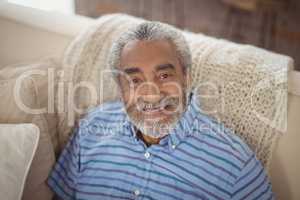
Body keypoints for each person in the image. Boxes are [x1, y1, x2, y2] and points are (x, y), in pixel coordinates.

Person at [47, 21, 274, 200]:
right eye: (134, 80)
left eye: (164, 75)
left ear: (186, 77)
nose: (152, 94)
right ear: (120, 88)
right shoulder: (90, 130)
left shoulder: (235, 165)